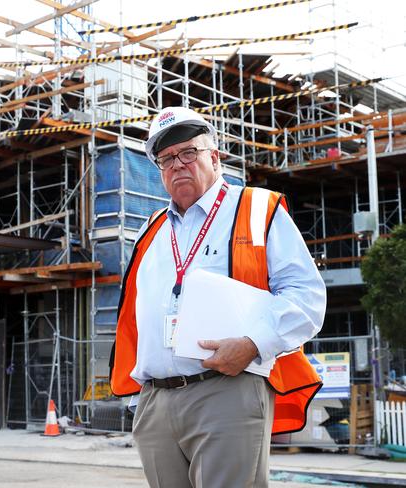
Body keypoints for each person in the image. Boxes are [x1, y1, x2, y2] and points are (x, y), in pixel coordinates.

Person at [109, 107, 326, 488]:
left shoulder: (257, 208)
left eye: (188, 152)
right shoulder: (150, 230)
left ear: (214, 155)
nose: (177, 165)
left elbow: (306, 296)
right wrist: (141, 401)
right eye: (166, 159)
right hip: (156, 402)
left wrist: (252, 344)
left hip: (227, 390)